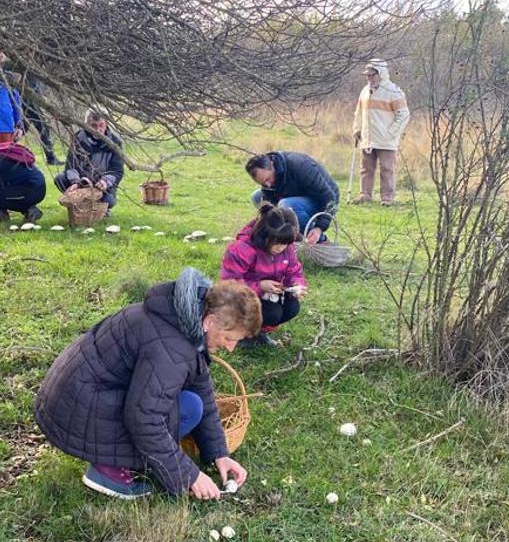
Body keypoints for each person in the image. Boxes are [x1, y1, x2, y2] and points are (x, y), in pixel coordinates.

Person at [34, 268, 261, 500]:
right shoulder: (171, 348)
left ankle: (121, 457)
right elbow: (144, 418)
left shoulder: (183, 317)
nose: (230, 347)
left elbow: (201, 388)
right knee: (187, 408)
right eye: (229, 338)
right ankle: (108, 470)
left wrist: (219, 454)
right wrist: (189, 475)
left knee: (192, 402)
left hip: (74, 392)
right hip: (79, 406)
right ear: (210, 321)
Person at [220, 203, 308, 347]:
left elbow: (294, 270)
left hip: (269, 295)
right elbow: (229, 286)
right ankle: (241, 333)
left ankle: (258, 332)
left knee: (292, 307)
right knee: (273, 312)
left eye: (285, 244)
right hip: (239, 300)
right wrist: (260, 286)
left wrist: (297, 284)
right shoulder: (241, 249)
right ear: (264, 234)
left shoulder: (286, 247)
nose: (280, 249)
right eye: (276, 243)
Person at [245, 150, 339, 245]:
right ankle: (285, 235)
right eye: (263, 183)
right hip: (293, 196)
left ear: (272, 164)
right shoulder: (269, 178)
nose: (268, 185)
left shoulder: (300, 165)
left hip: (322, 199)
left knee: (286, 204)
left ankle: (320, 241)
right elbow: (268, 200)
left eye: (268, 179)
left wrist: (319, 228)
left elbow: (329, 197)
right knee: (257, 197)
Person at [352, 59, 410, 206]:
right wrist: (356, 129)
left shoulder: (393, 91)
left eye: (372, 75)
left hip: (386, 140)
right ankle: (365, 195)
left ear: (381, 74)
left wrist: (391, 133)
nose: (369, 78)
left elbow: (404, 115)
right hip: (367, 138)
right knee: (365, 168)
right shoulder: (365, 91)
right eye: (367, 76)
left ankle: (387, 198)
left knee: (386, 169)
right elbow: (358, 113)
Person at [53, 108, 125, 213]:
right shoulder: (78, 138)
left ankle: (100, 208)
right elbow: (70, 165)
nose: (98, 129)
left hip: (100, 184)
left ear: (107, 124)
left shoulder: (115, 142)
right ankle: (78, 203)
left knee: (109, 201)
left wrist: (105, 181)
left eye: (101, 125)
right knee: (60, 179)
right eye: (94, 126)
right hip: (80, 181)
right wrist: (75, 182)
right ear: (87, 124)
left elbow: (117, 170)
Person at [7, 70, 61, 165]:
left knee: (22, 129)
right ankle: (51, 157)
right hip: (28, 101)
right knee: (43, 127)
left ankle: (6, 151)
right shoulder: (25, 66)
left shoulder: (33, 67)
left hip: (29, 100)